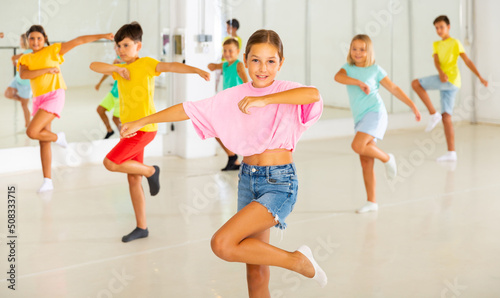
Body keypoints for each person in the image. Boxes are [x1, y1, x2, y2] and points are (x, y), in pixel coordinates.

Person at [120, 29, 327, 296]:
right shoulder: (234, 95)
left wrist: (264, 100)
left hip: (279, 182)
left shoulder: (287, 90)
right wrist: (141, 121)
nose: (262, 68)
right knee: (255, 268)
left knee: (223, 243)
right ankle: (297, 261)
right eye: (255, 60)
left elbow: (313, 94)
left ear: (281, 62)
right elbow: (188, 109)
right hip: (248, 180)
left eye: (270, 61)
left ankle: (299, 261)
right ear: (245, 60)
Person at [89, 22, 210, 243]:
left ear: (138, 45)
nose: (121, 50)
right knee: (132, 179)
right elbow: (93, 65)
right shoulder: (118, 69)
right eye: (118, 46)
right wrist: (116, 68)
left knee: (110, 162)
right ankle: (141, 227)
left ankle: (151, 171)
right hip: (129, 131)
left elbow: (172, 66)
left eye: (125, 45)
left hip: (144, 129)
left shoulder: (146, 64)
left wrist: (196, 70)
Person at [19, 25, 113, 192]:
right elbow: (25, 75)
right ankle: (47, 180)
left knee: (32, 132)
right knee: (43, 140)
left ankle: (58, 137)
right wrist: (47, 69)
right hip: (38, 99)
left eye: (39, 38)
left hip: (54, 95)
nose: (35, 41)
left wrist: (104, 35)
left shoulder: (54, 50)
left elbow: (79, 41)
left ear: (45, 38)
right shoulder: (25, 59)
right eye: (31, 38)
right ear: (27, 40)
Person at [334, 34, 421, 213]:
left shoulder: (375, 70)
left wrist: (412, 105)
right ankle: (372, 202)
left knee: (357, 145)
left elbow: (394, 88)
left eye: (362, 49)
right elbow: (338, 77)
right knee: (365, 161)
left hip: (375, 113)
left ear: (369, 51)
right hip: (360, 118)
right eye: (354, 49)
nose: (357, 53)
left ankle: (388, 158)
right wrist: (358, 82)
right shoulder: (347, 68)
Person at [412, 15, 488, 162]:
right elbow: (436, 61)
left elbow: (467, 61)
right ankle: (451, 153)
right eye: (436, 28)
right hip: (447, 82)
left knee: (416, 83)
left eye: (441, 27)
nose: (439, 30)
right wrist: (440, 73)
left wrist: (480, 77)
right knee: (446, 117)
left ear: (448, 27)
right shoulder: (436, 44)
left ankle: (433, 114)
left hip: (451, 80)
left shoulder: (455, 43)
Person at [208, 38, 248, 171]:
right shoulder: (225, 65)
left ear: (237, 51)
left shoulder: (239, 65)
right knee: (214, 130)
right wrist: (211, 66)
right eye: (225, 50)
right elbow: (217, 66)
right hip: (226, 105)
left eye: (230, 50)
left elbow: (246, 82)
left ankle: (237, 158)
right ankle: (233, 158)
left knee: (225, 131)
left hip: (235, 106)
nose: (227, 53)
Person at [5, 33, 32, 128]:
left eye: (21, 40)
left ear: (26, 41)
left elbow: (14, 57)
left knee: (24, 107)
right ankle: (25, 100)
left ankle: (28, 125)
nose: (20, 43)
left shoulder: (29, 52)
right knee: (7, 94)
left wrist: (14, 60)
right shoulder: (24, 53)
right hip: (17, 79)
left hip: (26, 83)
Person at [95, 50, 124, 139]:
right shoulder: (118, 59)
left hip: (122, 95)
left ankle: (125, 137)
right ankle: (109, 130)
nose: (117, 49)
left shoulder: (130, 62)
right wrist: (100, 82)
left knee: (115, 119)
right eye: (117, 46)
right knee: (100, 110)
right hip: (113, 92)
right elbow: (108, 71)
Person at [215, 19, 243, 92]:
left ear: (234, 28)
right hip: (223, 63)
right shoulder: (226, 38)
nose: (226, 30)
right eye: (226, 28)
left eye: (228, 27)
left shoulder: (237, 39)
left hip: (231, 64)